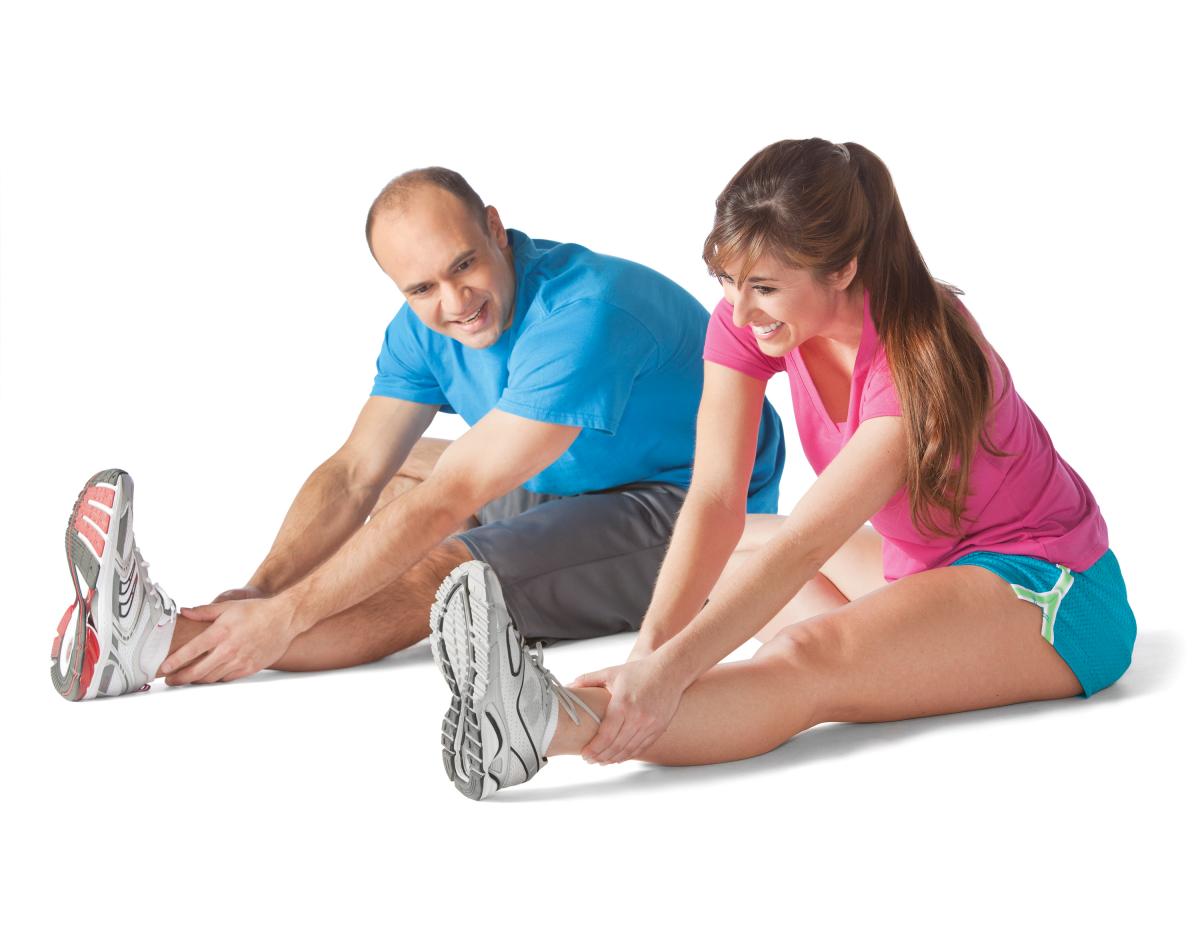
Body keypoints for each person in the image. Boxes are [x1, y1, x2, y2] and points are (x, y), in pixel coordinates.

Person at [430, 139, 1138, 800]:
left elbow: (808, 544)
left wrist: (666, 675)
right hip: (920, 567)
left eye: (764, 287)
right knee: (727, 549)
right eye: (729, 280)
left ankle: (546, 721)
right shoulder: (759, 318)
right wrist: (653, 649)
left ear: (844, 269)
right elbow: (711, 497)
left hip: (1049, 591)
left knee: (806, 653)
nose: (739, 308)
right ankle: (854, 665)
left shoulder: (925, 360)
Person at [50, 167, 785, 702]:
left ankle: (149, 641)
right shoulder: (421, 330)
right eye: (422, 288)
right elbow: (354, 473)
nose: (455, 302)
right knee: (402, 478)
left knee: (446, 571)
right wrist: (262, 593)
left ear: (495, 229)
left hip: (692, 508)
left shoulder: (584, 314)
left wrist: (288, 620)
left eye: (464, 265)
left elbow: (456, 493)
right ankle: (181, 629)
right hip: (572, 477)